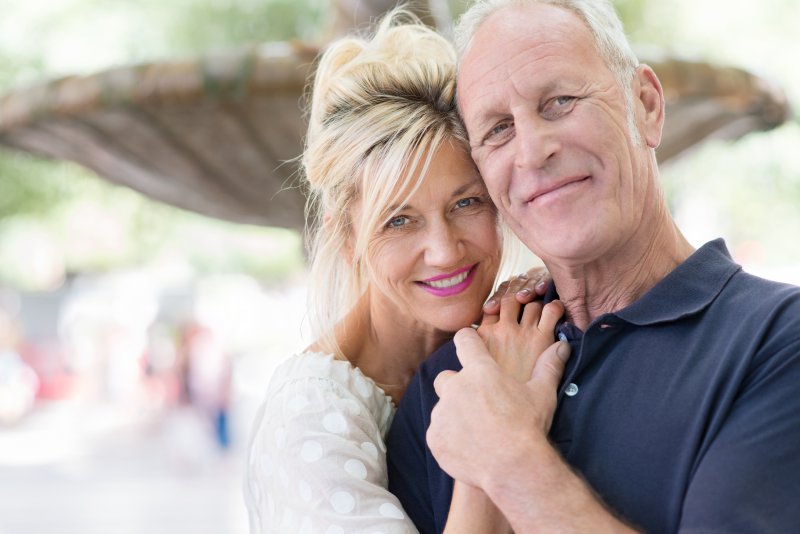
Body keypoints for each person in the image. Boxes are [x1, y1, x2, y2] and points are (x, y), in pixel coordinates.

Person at [386, 1, 800, 532]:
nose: (533, 151)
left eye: (559, 101)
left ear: (646, 106)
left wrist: (509, 458)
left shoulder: (777, 345)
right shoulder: (456, 378)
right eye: (497, 130)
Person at [243, 11, 560, 533]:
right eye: (399, 220)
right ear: (346, 238)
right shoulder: (310, 419)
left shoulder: (503, 332)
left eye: (465, 203)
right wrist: (500, 430)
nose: (443, 250)